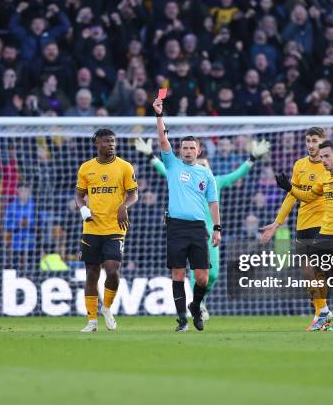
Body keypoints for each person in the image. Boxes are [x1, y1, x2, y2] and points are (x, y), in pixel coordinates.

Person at [134, 135, 270, 320]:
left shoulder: (216, 181)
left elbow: (238, 174)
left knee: (212, 275)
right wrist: (150, 155)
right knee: (191, 272)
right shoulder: (183, 175)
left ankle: (200, 300)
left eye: (205, 166)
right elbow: (164, 169)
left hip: (209, 234)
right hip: (186, 229)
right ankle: (198, 306)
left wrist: (253, 158)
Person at [276, 140, 333, 331]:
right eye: (321, 156)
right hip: (325, 232)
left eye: (326, 156)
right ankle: (324, 311)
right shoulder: (324, 177)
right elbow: (309, 197)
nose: (322, 159)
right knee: (315, 273)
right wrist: (290, 189)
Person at [152, 98, 221, 332]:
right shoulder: (172, 164)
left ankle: (195, 306)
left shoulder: (206, 174)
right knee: (179, 274)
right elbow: (162, 139)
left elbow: (213, 202)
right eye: (185, 148)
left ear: (199, 151)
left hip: (198, 228)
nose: (189, 151)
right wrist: (159, 115)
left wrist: (217, 229)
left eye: (192, 148)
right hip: (176, 227)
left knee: (202, 277)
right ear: (180, 151)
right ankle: (182, 319)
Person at [260, 127, 330, 330]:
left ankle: (321, 314)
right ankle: (322, 311)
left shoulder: (329, 167)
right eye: (308, 140)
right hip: (303, 223)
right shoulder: (300, 165)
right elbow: (293, 196)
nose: (310, 144)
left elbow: (312, 195)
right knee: (307, 271)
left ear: (322, 142)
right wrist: (277, 223)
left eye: (314, 140)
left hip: (324, 223)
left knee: (318, 270)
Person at [75, 129, 138, 332]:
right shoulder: (86, 168)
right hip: (92, 227)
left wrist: (124, 206)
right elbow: (79, 195)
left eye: (113, 141)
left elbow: (134, 194)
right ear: (97, 144)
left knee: (112, 269)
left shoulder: (125, 167)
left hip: (115, 228)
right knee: (91, 274)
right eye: (106, 141)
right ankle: (91, 321)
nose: (110, 144)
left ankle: (107, 308)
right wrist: (83, 208)